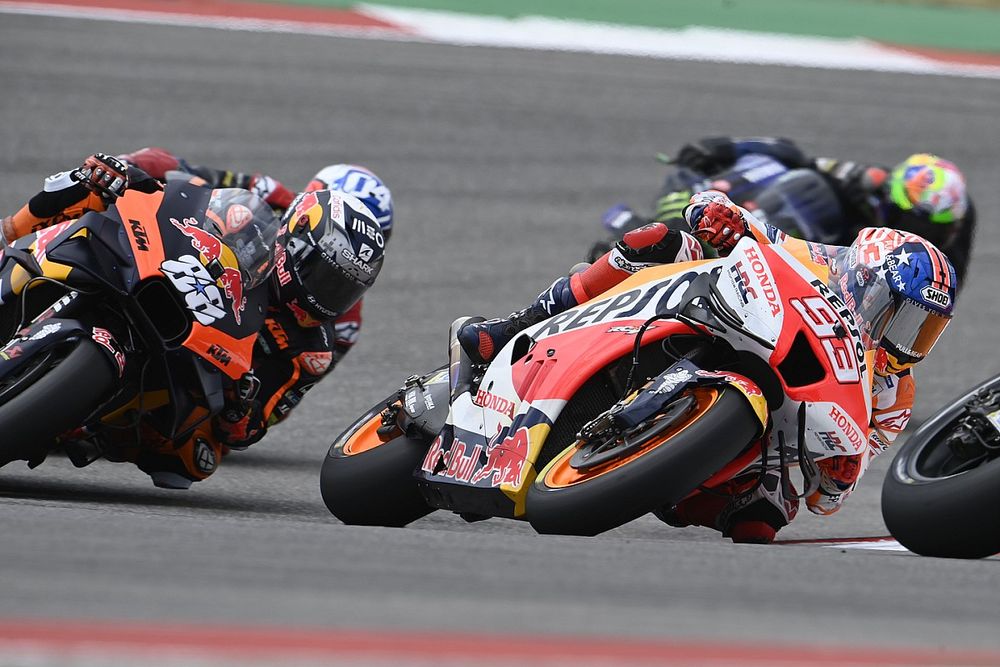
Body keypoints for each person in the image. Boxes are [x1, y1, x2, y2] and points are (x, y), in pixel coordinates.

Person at [459, 190, 957, 543]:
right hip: (725, 329)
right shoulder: (819, 262)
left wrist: (840, 476)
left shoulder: (894, 397)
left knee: (759, 524)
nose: (905, 340)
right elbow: (724, 214)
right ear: (866, 285)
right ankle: (514, 326)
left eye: (923, 329)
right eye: (901, 317)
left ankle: (667, 481)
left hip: (770, 438)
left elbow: (826, 503)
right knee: (662, 239)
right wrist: (720, 216)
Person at [1, 151, 392, 489]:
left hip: (197, 365)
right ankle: (8, 236)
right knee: (92, 187)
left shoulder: (314, 349)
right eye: (325, 277)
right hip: (171, 280)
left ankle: (85, 418)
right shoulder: (252, 213)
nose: (331, 295)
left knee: (195, 459)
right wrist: (131, 175)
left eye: (343, 287)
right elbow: (187, 187)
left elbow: (257, 425)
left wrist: (241, 407)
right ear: (296, 241)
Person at [593, 137, 974, 284]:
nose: (925, 234)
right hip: (800, 247)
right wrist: (728, 147)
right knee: (802, 182)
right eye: (915, 221)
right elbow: (794, 155)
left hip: (833, 286)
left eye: (937, 228)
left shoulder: (946, 251)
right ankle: (693, 233)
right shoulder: (868, 182)